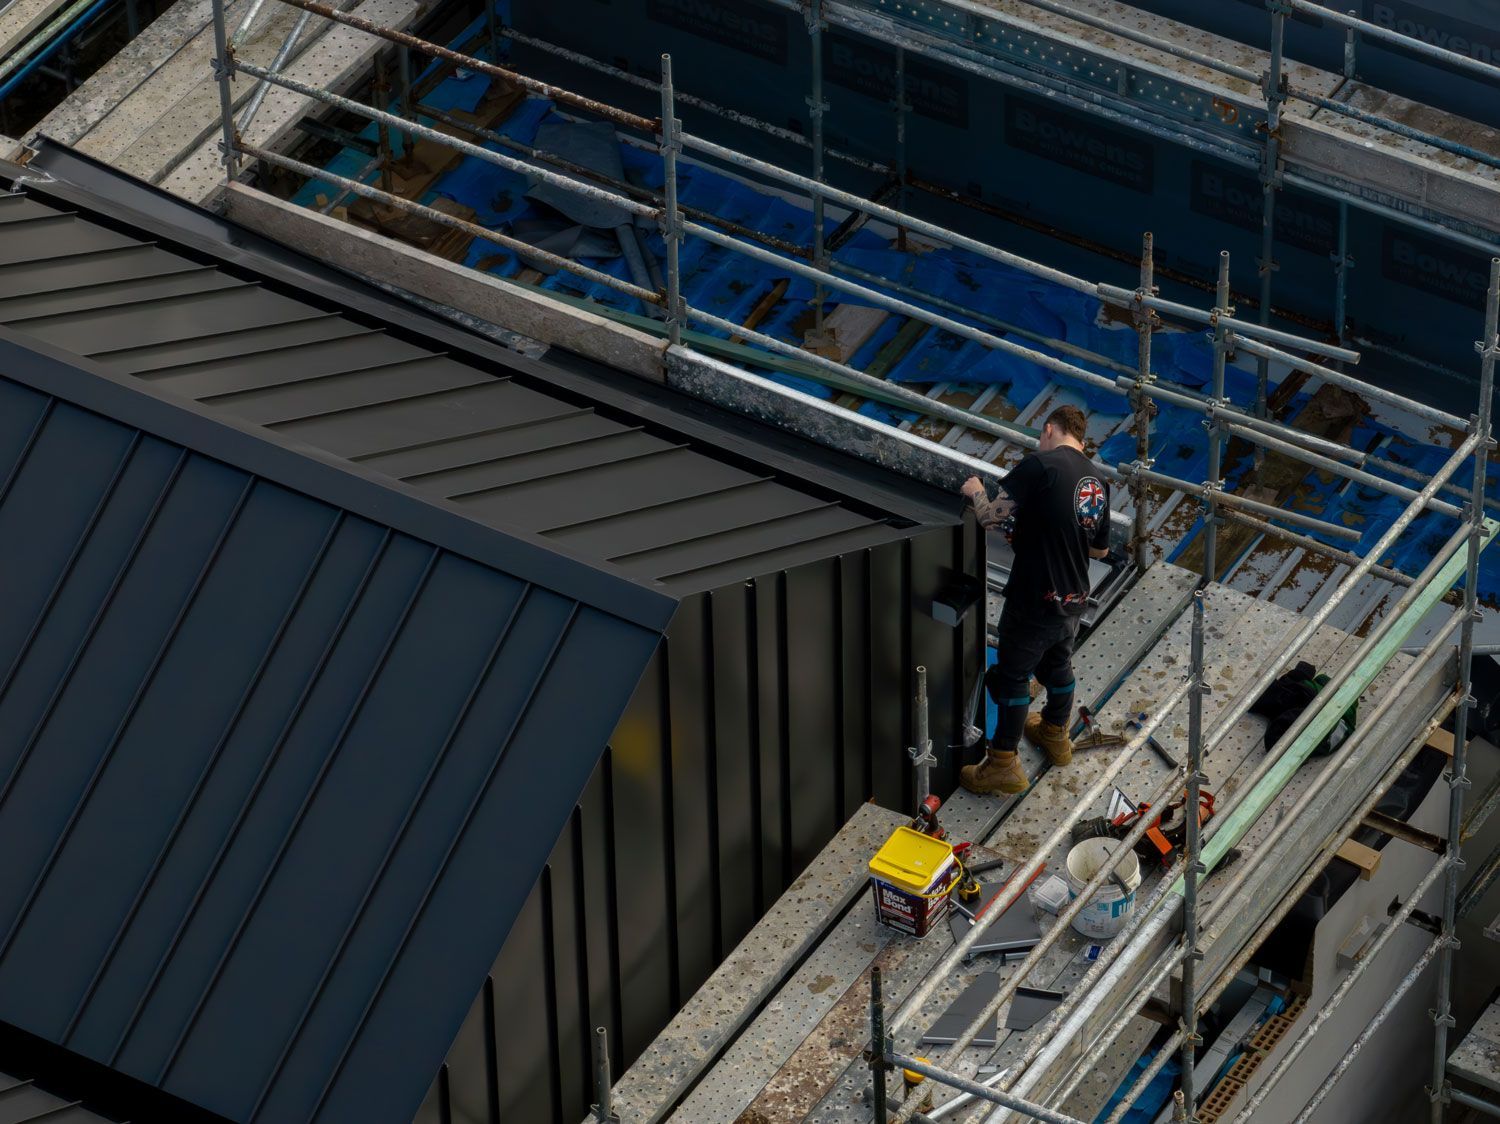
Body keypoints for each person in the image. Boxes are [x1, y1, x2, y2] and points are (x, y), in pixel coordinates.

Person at [959, 405, 1113, 796]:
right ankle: (1055, 734)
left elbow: (992, 517)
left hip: (1035, 596)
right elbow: (1098, 551)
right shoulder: (1097, 482)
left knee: (1012, 677)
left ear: (1049, 429)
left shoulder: (1040, 465)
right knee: (1057, 663)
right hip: (1075, 595)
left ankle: (1003, 763)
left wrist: (976, 491)